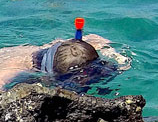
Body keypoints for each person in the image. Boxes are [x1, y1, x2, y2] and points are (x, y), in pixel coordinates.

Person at [0, 31, 129, 89]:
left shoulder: (78, 48)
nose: (83, 82)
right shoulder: (14, 66)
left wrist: (111, 53)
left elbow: (96, 38)